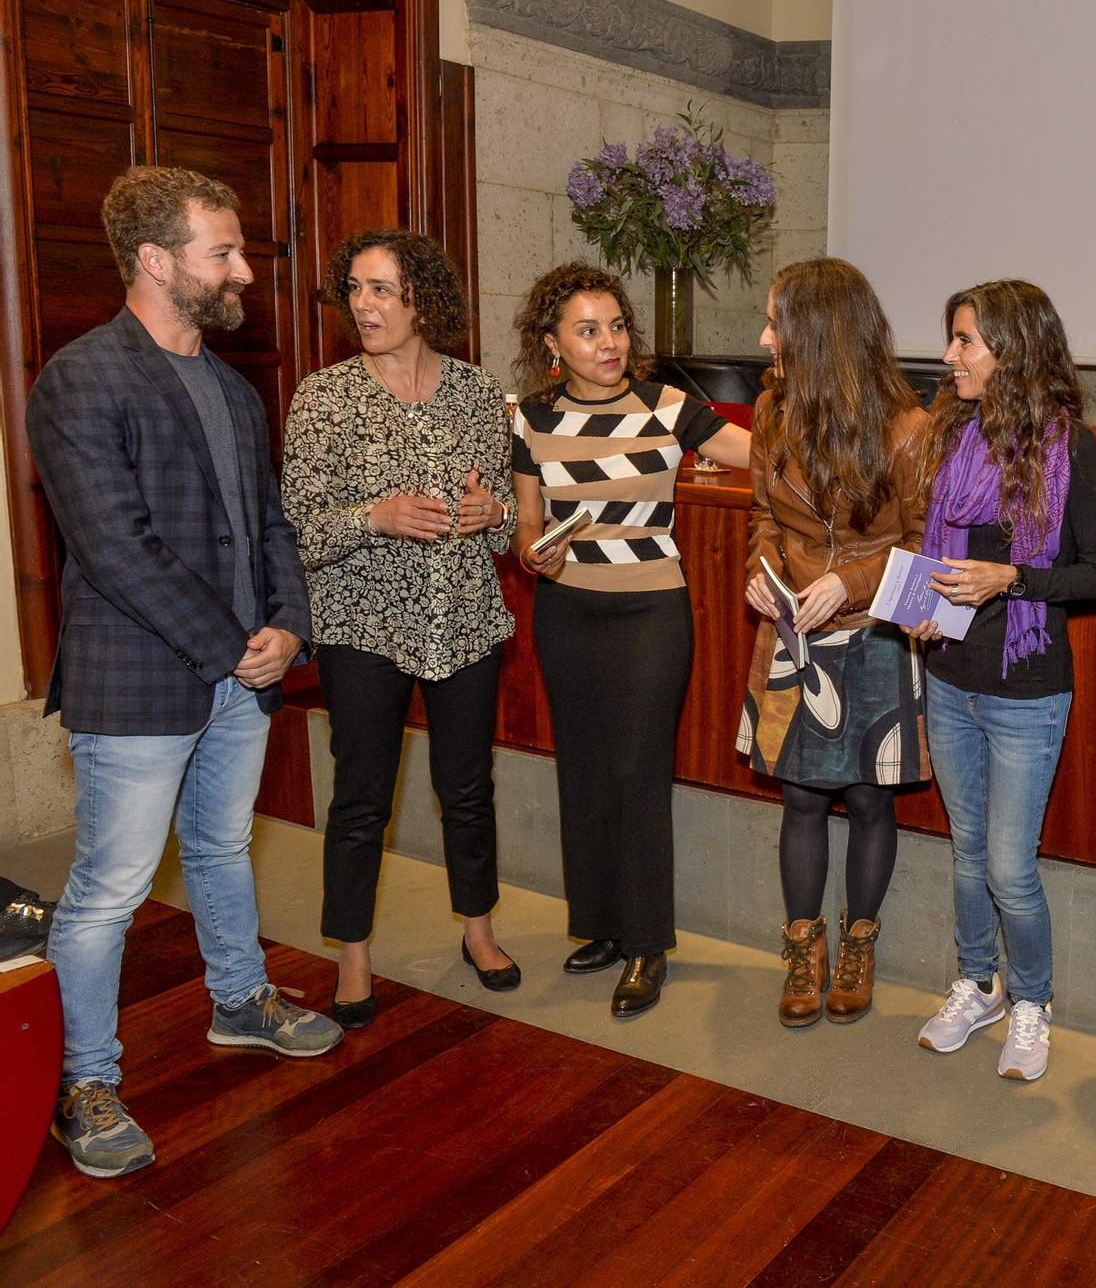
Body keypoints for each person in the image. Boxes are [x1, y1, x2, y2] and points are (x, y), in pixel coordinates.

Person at [29, 166, 342, 1178]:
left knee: (219, 847)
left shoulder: (233, 387)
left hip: (240, 671)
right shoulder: (80, 379)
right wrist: (232, 644)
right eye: (224, 251)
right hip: (139, 681)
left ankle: (240, 999)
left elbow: (270, 526)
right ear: (156, 260)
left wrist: (288, 626)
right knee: (110, 887)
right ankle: (83, 1079)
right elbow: (115, 548)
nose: (244, 269)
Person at [282, 229, 520, 1030]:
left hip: (465, 619)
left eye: (381, 289)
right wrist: (374, 515)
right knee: (360, 796)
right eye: (354, 288)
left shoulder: (481, 393)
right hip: (362, 625)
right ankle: (351, 956)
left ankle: (479, 932)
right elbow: (300, 529)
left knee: (467, 788)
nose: (363, 304)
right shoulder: (324, 396)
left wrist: (496, 514)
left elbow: (505, 520)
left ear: (422, 299)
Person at [510, 262, 751, 1018]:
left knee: (638, 766)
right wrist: (532, 551)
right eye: (588, 330)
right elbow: (526, 522)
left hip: (652, 612)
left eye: (616, 326)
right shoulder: (533, 419)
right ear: (553, 343)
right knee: (583, 770)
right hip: (567, 612)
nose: (609, 342)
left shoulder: (670, 405)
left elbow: (763, 457)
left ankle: (648, 942)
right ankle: (604, 927)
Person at [907, 280, 1096, 1081]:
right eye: (953, 338)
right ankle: (976, 983)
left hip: (1027, 684)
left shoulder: (1074, 447)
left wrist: (1012, 580)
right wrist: (925, 604)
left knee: (1007, 864)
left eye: (966, 340)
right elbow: (941, 557)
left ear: (1013, 349)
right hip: (950, 671)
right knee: (965, 852)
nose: (952, 355)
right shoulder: (950, 432)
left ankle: (1033, 1000)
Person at [739, 257, 928, 1028]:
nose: (763, 337)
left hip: (875, 635)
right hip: (791, 636)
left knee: (869, 797)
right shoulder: (770, 413)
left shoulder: (909, 430)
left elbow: (923, 548)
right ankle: (802, 948)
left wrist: (848, 585)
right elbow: (760, 517)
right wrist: (763, 574)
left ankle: (858, 944)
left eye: (776, 320)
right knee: (800, 797)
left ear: (818, 333)